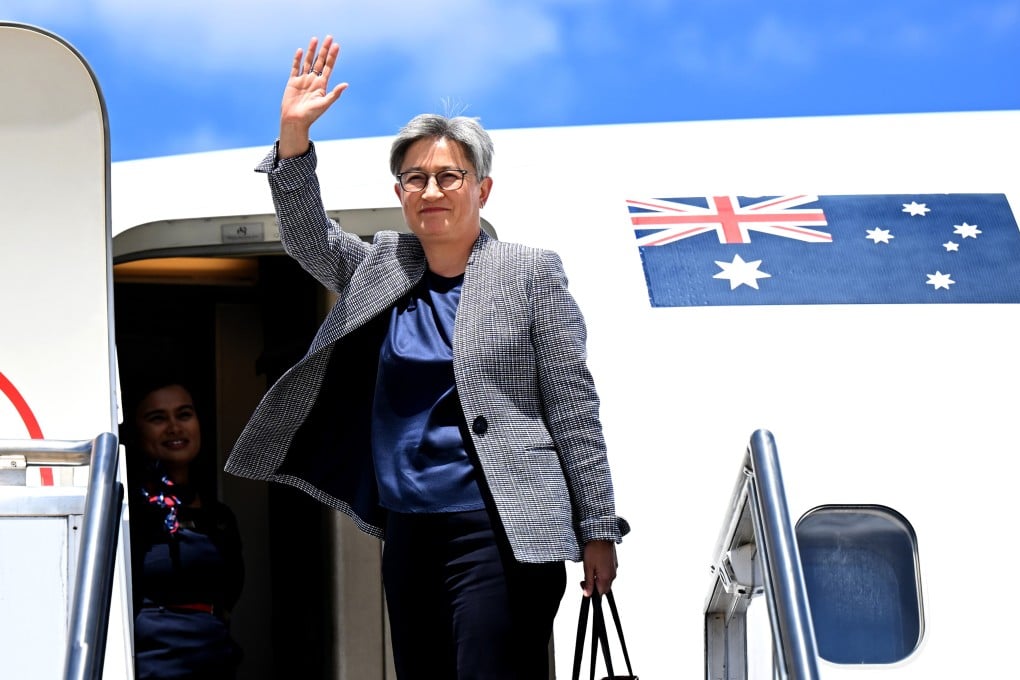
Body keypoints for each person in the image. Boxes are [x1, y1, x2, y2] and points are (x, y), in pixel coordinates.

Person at [225, 35, 628, 679]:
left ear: (482, 189)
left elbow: (573, 409)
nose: (431, 190)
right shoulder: (383, 264)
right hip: (409, 531)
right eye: (416, 178)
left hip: (501, 529)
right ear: (401, 191)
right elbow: (307, 240)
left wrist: (597, 528)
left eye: (448, 176)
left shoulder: (527, 273)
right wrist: (293, 139)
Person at [125, 379, 244, 680]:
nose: (174, 427)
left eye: (184, 414)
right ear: (136, 433)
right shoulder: (127, 512)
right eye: (157, 418)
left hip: (214, 663)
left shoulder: (219, 516)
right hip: (151, 667)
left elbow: (229, 596)